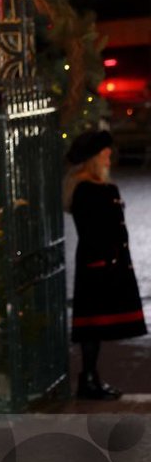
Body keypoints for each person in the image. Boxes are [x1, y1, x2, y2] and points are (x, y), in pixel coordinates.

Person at [64, 129, 147, 399]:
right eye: (105, 156)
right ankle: (88, 379)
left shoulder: (98, 187)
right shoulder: (88, 189)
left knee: (94, 327)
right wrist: (109, 260)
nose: (109, 160)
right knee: (92, 325)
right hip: (98, 263)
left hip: (104, 261)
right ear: (94, 159)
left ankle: (91, 377)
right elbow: (95, 229)